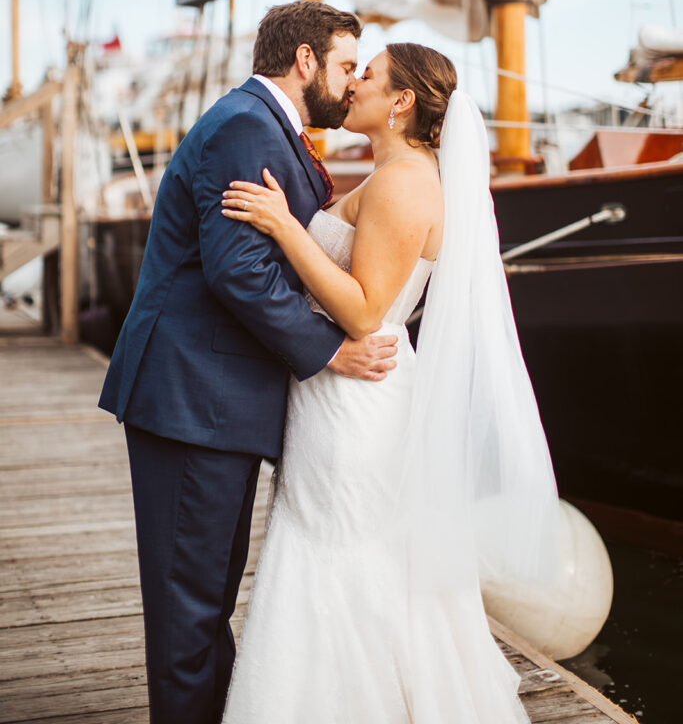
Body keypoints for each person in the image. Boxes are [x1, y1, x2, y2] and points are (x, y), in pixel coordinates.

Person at [220, 42, 559, 723]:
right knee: (347, 551)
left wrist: (286, 227)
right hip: (342, 392)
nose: (353, 87)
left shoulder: (406, 183)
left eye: (367, 76)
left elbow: (364, 308)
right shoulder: (392, 173)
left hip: (357, 398)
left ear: (401, 101)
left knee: (342, 553)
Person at [98, 1, 399, 724]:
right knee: (189, 609)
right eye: (344, 66)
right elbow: (239, 271)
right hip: (194, 398)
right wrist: (331, 350)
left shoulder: (264, 129)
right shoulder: (244, 127)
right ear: (303, 62)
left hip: (217, 401)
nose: (350, 83)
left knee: (202, 601)